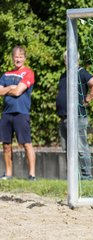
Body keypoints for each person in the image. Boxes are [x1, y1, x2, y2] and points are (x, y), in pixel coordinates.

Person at [56, 51, 93, 180]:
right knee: (68, 149)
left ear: (77, 60)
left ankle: (86, 176)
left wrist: (88, 99)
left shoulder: (81, 72)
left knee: (81, 148)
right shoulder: (64, 75)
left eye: (70, 58)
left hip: (77, 117)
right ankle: (73, 177)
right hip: (64, 118)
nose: (67, 60)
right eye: (66, 58)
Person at [0, 45, 36, 181]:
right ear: (12, 58)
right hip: (6, 113)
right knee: (6, 144)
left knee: (26, 143)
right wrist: (10, 87)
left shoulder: (28, 73)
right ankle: (8, 174)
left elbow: (18, 91)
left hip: (21, 113)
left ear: (24, 58)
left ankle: (32, 175)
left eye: (21, 57)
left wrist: (7, 90)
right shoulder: (6, 75)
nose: (18, 59)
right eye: (16, 57)